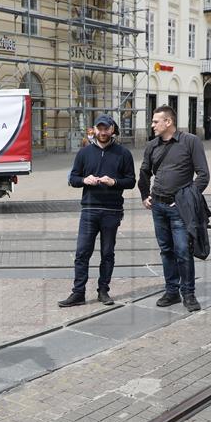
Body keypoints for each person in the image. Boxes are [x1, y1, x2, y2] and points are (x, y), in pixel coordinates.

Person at [58, 115, 136, 308]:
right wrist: (85, 180)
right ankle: (78, 293)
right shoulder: (84, 153)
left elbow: (131, 181)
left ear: (112, 130)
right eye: (100, 129)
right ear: (94, 129)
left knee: (107, 253)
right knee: (82, 252)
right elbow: (73, 178)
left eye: (106, 129)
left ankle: (103, 291)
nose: (103, 132)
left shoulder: (123, 153)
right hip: (89, 210)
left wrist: (115, 182)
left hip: (112, 210)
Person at [138, 105, 210, 312]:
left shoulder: (190, 141)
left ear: (168, 122)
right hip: (158, 206)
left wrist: (185, 199)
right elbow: (143, 173)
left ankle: (188, 294)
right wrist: (145, 195)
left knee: (182, 251)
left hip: (179, 208)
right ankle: (172, 292)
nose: (152, 125)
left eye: (155, 121)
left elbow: (203, 175)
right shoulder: (152, 146)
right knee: (166, 250)